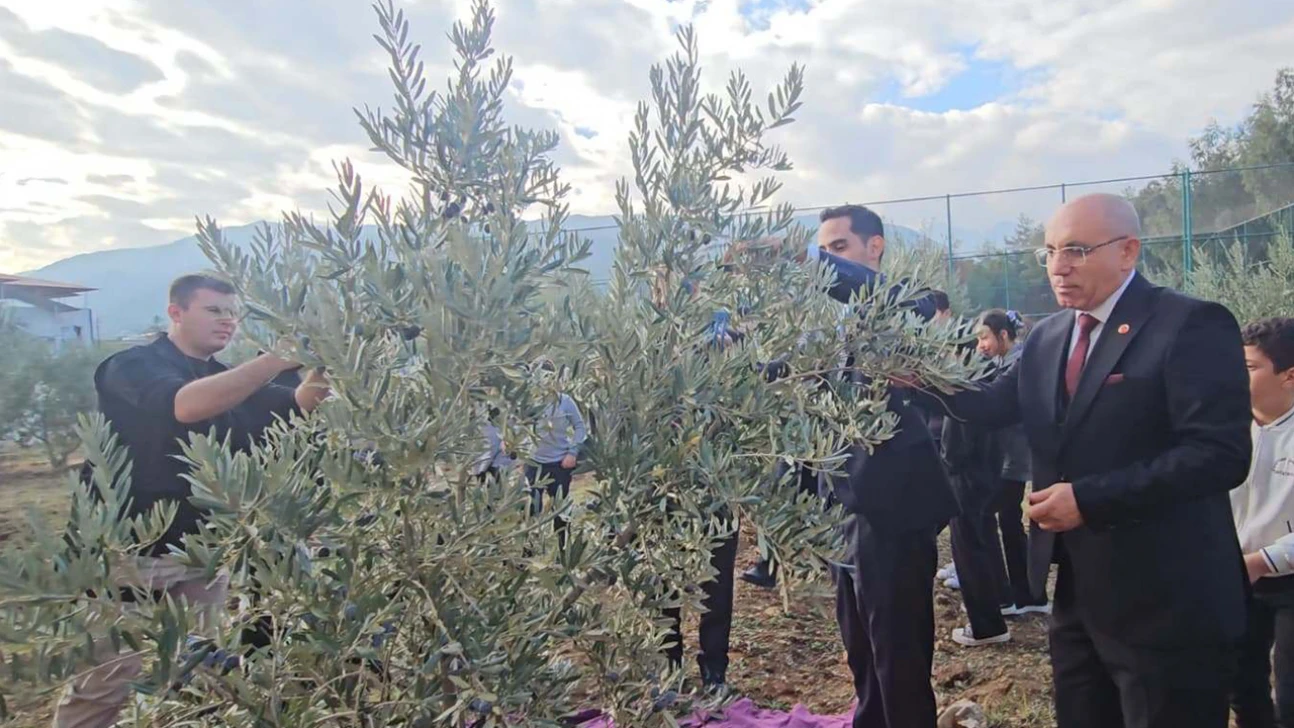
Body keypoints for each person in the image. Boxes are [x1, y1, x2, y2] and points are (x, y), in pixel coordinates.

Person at [909, 193, 1251, 728]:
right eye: (1048, 251)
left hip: (1171, 599)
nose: (1058, 266)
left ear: (1128, 251)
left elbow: (1218, 455)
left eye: (1076, 249)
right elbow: (987, 404)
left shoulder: (1189, 325)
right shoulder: (1050, 336)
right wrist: (910, 372)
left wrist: (1089, 499)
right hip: (1079, 596)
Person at [54, 273, 329, 728]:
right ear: (175, 313)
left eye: (234, 313)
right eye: (215, 310)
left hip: (200, 552)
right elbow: (184, 406)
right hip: (126, 553)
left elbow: (299, 403)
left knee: (207, 678)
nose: (228, 321)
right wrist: (275, 359)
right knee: (104, 684)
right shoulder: (131, 366)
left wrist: (329, 361)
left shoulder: (226, 379)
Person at [814, 204, 958, 728]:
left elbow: (904, 305)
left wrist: (802, 260)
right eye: (824, 249)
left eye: (839, 248)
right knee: (860, 648)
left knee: (898, 653)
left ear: (874, 248)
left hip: (894, 511)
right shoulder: (827, 324)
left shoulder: (905, 301)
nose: (829, 260)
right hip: (841, 508)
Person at [1231, 317, 1294, 727]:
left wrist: (1262, 561)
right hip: (1234, 576)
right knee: (1240, 685)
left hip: (1286, 578)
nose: (1236, 376)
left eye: (1250, 367)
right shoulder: (1222, 431)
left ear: (1289, 376)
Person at [975, 309, 1050, 616]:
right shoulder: (1003, 362)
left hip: (1014, 457)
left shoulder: (1019, 364)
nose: (980, 345)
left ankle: (1008, 594)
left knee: (984, 516)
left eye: (984, 337)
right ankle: (1027, 594)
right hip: (1009, 457)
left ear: (1003, 336)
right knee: (1007, 520)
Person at [942, 336, 1012, 647]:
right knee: (984, 540)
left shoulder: (965, 387)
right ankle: (999, 599)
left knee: (968, 550)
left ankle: (985, 625)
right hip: (986, 473)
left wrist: (948, 465)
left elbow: (957, 444)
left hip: (966, 479)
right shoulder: (986, 379)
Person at [524, 360, 587, 549]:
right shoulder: (528, 402)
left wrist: (573, 452)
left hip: (559, 464)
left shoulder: (565, 402)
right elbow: (516, 424)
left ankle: (563, 552)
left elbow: (580, 426)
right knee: (531, 508)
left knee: (560, 510)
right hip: (534, 463)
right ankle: (527, 550)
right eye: (539, 377)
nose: (544, 382)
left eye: (547, 377)